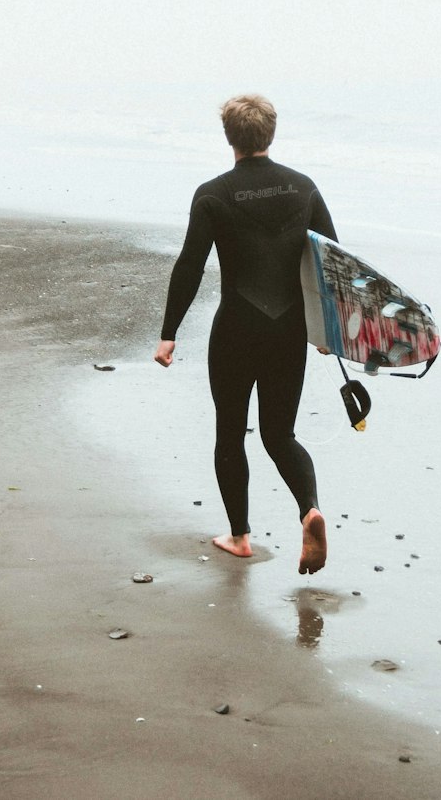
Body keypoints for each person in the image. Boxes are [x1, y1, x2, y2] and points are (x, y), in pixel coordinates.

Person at [154, 94, 337, 575]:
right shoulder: (305, 189)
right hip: (287, 330)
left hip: (235, 328)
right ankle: (310, 508)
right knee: (280, 434)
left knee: (230, 433)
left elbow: (191, 264)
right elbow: (330, 262)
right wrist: (328, 332)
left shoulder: (213, 194)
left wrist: (169, 332)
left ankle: (239, 537)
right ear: (270, 133)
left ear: (229, 137)